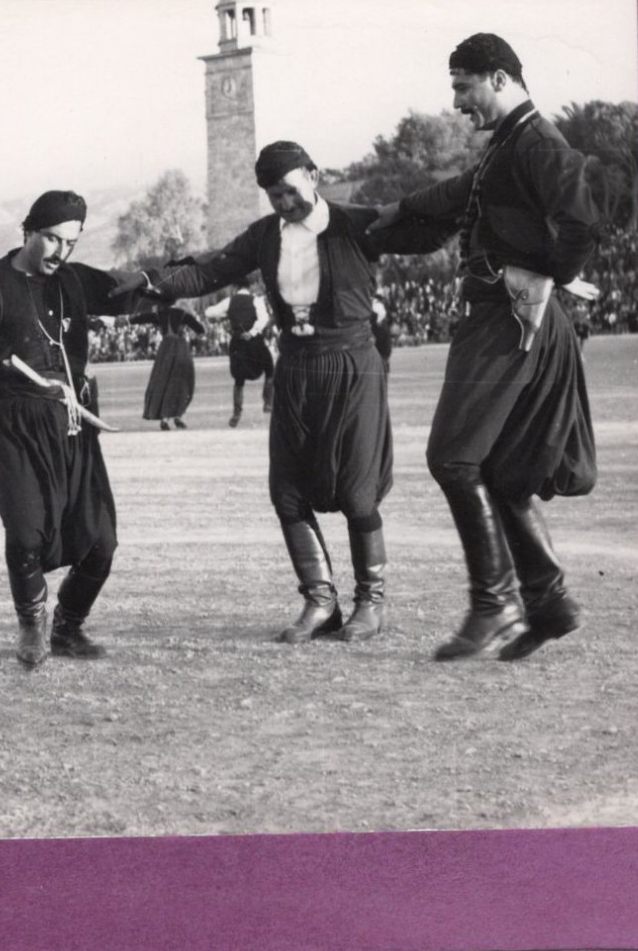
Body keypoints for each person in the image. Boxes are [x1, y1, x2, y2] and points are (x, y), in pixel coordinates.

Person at [120, 142, 454, 644]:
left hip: (352, 367)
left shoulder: (356, 223)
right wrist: (150, 284)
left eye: (291, 192)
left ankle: (370, 603)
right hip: (295, 369)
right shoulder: (263, 237)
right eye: (274, 196)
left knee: (358, 491)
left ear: (314, 176)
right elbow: (209, 271)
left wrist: (460, 201)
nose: (285, 204)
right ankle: (320, 602)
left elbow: (425, 237)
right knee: (287, 492)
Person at [370, 33, 601, 661]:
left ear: (498, 78)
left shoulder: (538, 142)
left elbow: (581, 217)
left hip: (510, 321)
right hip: (505, 319)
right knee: (499, 471)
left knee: (452, 458)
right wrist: (388, 212)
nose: (456, 101)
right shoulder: (510, 144)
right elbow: (457, 194)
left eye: (462, 86)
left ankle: (495, 604)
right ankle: (549, 603)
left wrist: (547, 271)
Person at [0, 190, 157, 667]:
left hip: (72, 420)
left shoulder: (74, 279)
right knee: (26, 532)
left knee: (101, 541)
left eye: (70, 242)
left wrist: (184, 282)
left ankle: (68, 626)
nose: (60, 252)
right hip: (17, 423)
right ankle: (32, 624)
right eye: (50, 239)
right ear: (28, 231)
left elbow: (139, 287)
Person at [135, 307, 204, 430]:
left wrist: (128, 320)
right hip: (180, 349)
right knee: (183, 383)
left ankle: (164, 419)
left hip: (165, 349)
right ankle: (178, 416)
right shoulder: (183, 314)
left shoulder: (159, 314)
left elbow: (142, 318)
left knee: (164, 382)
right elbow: (200, 329)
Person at [224, 286, 275, 427]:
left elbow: (211, 313)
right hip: (254, 341)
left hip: (237, 341)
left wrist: (226, 318)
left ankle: (236, 412)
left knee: (238, 379)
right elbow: (264, 318)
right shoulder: (255, 300)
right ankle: (268, 402)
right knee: (270, 368)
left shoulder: (230, 301)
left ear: (235, 287)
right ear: (248, 287)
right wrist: (252, 332)